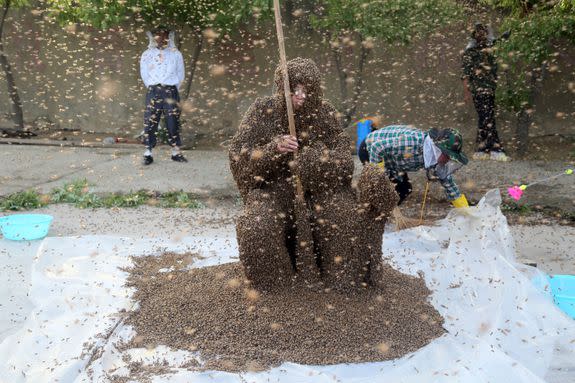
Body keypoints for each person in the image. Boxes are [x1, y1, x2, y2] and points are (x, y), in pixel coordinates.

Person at [228, 58, 398, 291]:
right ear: (281, 89)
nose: (301, 97)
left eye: (307, 91)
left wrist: (316, 162)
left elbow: (344, 162)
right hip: (275, 191)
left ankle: (343, 282)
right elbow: (239, 156)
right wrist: (273, 150)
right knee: (256, 226)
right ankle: (276, 288)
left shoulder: (325, 112)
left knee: (345, 219)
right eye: (294, 90)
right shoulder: (261, 111)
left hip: (321, 191)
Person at [359, 125, 470, 208]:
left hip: (394, 162)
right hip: (370, 150)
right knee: (383, 190)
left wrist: (465, 210)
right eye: (448, 155)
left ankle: (386, 213)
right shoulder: (412, 143)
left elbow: (448, 183)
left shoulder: (435, 157)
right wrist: (380, 176)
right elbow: (376, 147)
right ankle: (370, 214)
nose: (449, 159)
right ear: (438, 148)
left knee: (404, 189)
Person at [462, 23, 510, 162]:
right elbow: (465, 74)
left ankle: (482, 149)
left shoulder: (491, 47)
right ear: (474, 34)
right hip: (478, 90)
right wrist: (467, 93)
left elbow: (499, 41)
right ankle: (496, 149)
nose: (481, 34)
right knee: (487, 117)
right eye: (478, 32)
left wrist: (506, 35)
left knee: (485, 118)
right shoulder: (470, 51)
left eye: (483, 31)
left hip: (490, 89)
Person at [139, 26, 187, 165]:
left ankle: (175, 152)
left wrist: (170, 87)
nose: (161, 38)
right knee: (150, 121)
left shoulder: (176, 54)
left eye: (164, 35)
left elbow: (180, 75)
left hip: (171, 91)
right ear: (154, 38)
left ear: (169, 37)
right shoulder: (147, 54)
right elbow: (145, 75)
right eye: (158, 36)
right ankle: (148, 153)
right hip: (153, 90)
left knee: (172, 121)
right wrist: (155, 87)